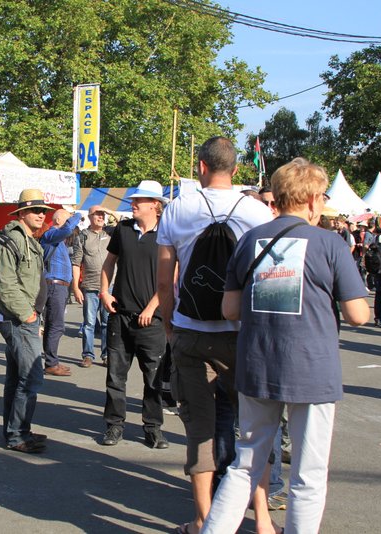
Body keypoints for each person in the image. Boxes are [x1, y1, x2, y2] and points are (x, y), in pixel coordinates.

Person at [203, 158, 369, 534]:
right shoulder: (330, 243)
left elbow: (229, 308)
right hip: (312, 367)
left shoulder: (250, 239)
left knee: (246, 463)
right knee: (309, 474)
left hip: (257, 362)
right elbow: (358, 314)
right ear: (312, 199)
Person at [156, 137, 273, 534]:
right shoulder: (258, 212)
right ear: (236, 170)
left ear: (201, 167)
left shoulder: (178, 208)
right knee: (255, 429)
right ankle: (264, 523)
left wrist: (171, 327)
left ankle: (204, 521)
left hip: (191, 331)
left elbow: (164, 280)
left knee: (200, 429)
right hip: (243, 334)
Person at [100, 180, 168, 449]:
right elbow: (109, 263)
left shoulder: (166, 233)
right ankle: (114, 425)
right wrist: (104, 292)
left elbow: (171, 276)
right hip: (120, 314)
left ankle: (153, 428)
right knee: (115, 376)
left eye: (139, 200)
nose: (133, 203)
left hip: (152, 319)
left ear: (155, 204)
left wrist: (152, 308)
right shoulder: (123, 229)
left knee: (153, 378)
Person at [0, 189, 51, 453]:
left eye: (43, 211)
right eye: (36, 210)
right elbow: (6, 284)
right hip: (18, 318)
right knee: (30, 378)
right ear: (22, 213)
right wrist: (28, 314)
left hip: (23, 317)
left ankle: (18, 431)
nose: (42, 214)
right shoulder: (12, 240)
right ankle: (17, 435)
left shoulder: (29, 240)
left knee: (17, 378)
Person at [41, 208, 82, 376]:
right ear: (58, 221)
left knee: (53, 325)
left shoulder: (56, 239)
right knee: (56, 325)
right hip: (55, 285)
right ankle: (51, 363)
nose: (69, 224)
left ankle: (52, 361)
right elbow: (67, 229)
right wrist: (77, 215)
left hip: (59, 286)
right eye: (66, 220)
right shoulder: (51, 234)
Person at [71, 205, 112, 368]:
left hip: (109, 288)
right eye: (97, 214)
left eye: (103, 214)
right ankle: (88, 355)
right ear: (89, 216)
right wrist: (75, 287)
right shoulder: (82, 237)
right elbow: (75, 263)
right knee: (89, 323)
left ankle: (107, 354)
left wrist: (111, 212)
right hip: (90, 287)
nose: (101, 217)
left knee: (107, 323)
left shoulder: (111, 234)